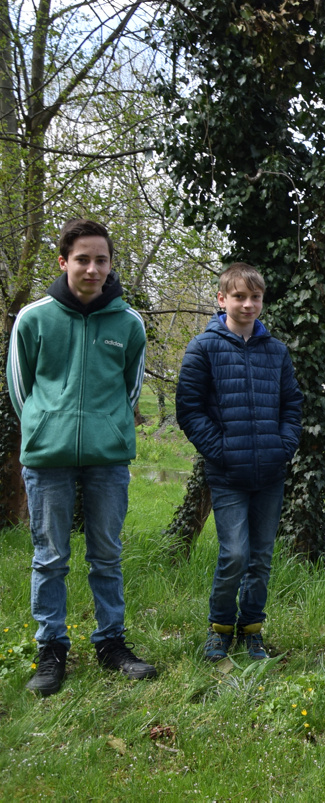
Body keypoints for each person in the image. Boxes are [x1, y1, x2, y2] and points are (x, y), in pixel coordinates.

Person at [7, 218, 156, 696]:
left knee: (107, 556)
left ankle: (111, 642)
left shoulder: (128, 323)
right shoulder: (34, 317)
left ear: (111, 265)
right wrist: (44, 426)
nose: (93, 269)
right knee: (49, 557)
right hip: (47, 458)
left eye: (101, 260)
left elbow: (132, 387)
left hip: (107, 457)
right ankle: (51, 649)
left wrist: (109, 427)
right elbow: (20, 387)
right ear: (64, 262)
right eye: (82, 259)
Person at [175, 263, 303, 662]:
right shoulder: (203, 347)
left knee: (261, 557)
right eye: (239, 297)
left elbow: (292, 406)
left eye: (255, 297)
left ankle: (251, 629)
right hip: (227, 473)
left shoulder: (276, 352)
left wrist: (283, 446)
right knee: (234, 554)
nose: (248, 304)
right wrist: (222, 450)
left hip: (269, 472)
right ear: (222, 299)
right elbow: (189, 410)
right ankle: (218, 629)